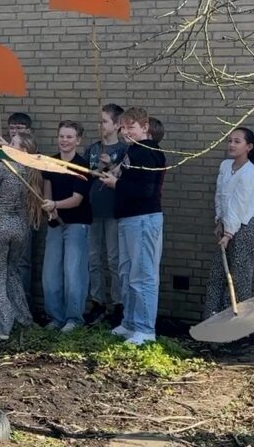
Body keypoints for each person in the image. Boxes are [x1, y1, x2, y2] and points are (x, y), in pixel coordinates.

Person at [100, 107, 165, 346]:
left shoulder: (148, 152)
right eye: (123, 127)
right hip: (128, 219)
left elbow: (145, 190)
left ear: (145, 127)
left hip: (143, 219)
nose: (126, 132)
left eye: (132, 127)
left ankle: (145, 329)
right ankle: (129, 323)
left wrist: (116, 183)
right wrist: (114, 170)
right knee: (127, 273)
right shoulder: (133, 151)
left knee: (143, 275)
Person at [203, 127, 254, 319]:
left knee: (238, 278)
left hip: (243, 228)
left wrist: (229, 234)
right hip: (226, 226)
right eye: (229, 141)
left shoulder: (249, 172)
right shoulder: (225, 166)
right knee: (218, 273)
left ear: (249, 147)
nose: (231, 145)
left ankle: (236, 325)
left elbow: (239, 204)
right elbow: (220, 195)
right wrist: (220, 221)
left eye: (237, 141)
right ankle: (212, 320)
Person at [0, 132, 43, 341]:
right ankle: (24, 317)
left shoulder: (6, 166)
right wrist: (6, 146)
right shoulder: (33, 170)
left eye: (13, 143)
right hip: (21, 227)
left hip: (0, 224)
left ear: (23, 150)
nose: (9, 145)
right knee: (12, 271)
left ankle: (4, 324)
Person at [41, 120, 91, 331]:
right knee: (50, 272)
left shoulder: (82, 166)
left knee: (73, 272)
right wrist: (49, 208)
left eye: (69, 137)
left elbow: (77, 199)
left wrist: (55, 205)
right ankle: (56, 317)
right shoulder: (50, 162)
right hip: (56, 223)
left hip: (77, 223)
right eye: (61, 136)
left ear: (78, 140)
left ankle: (74, 319)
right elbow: (47, 191)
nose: (64, 140)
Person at [84, 104, 127, 325]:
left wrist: (111, 165)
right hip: (93, 210)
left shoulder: (124, 150)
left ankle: (118, 304)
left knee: (113, 259)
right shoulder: (93, 149)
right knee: (93, 258)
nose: (100, 125)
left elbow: (125, 179)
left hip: (113, 211)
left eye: (104, 121)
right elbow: (84, 177)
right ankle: (97, 302)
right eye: (98, 122)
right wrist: (97, 169)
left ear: (117, 125)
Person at [6, 111, 36, 298]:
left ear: (29, 131)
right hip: (4, 214)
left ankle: (23, 300)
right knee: (5, 261)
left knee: (23, 260)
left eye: (19, 128)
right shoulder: (3, 156)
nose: (15, 132)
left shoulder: (35, 159)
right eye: (12, 128)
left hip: (24, 214)